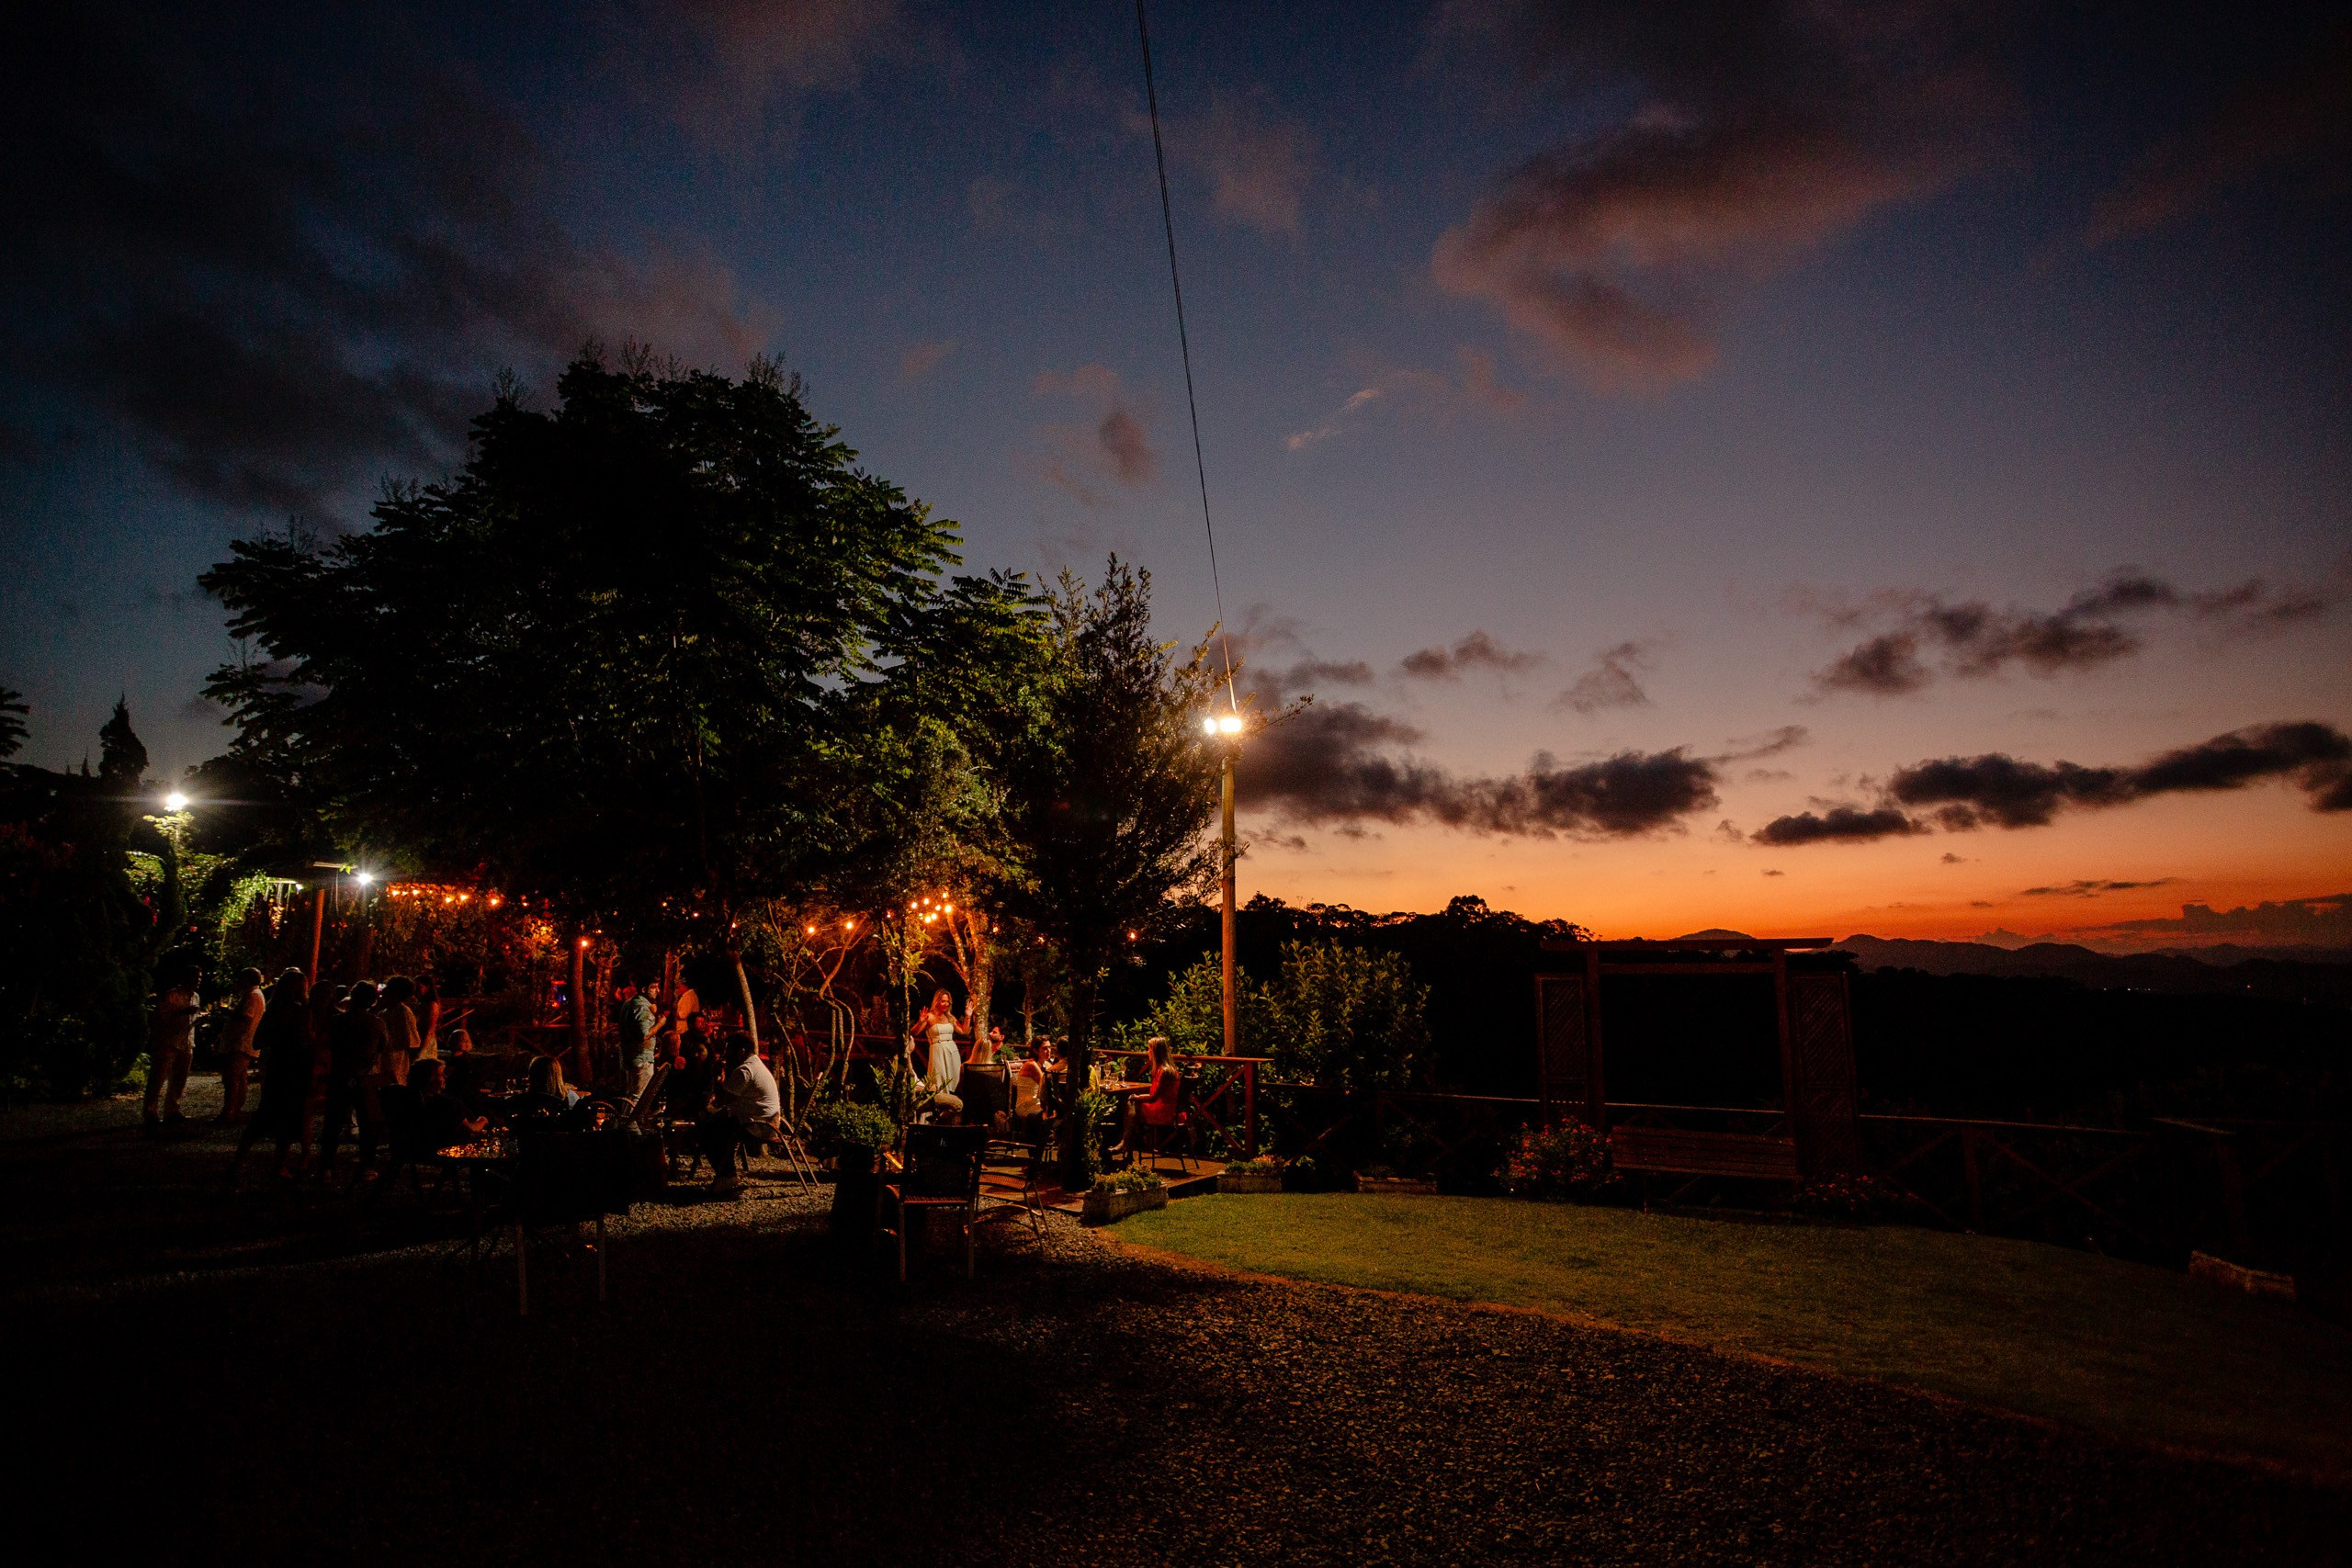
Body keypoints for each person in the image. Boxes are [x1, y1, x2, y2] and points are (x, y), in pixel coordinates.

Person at [232, 970, 314, 1182]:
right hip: (295, 1069)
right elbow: (304, 1041)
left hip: (276, 1068)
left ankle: (237, 1162)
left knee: (263, 1116)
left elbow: (258, 1041)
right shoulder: (301, 1012)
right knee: (288, 1120)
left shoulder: (273, 1011)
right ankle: (279, 1166)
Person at [315, 981, 385, 1181]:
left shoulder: (338, 1021)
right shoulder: (376, 1023)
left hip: (339, 1074)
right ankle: (367, 1166)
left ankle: (326, 1167)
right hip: (363, 1076)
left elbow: (327, 1044)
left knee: (332, 1123)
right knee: (366, 1123)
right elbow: (383, 1046)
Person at [702, 1032, 780, 1194]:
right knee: (717, 1122)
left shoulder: (745, 1070)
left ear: (741, 1051)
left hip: (758, 1126)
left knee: (708, 1129)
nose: (726, 1055)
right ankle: (726, 1175)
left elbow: (723, 1100)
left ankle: (727, 1176)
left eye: (729, 1050)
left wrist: (717, 1076)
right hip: (767, 1121)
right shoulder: (755, 1065)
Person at [142, 964, 203, 1131]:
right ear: (186, 978)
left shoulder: (196, 997)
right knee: (158, 1078)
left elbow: (190, 1020)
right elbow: (160, 1018)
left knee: (179, 1079)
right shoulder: (172, 996)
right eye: (195, 978)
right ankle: (150, 1112)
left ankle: (172, 1110)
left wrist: (198, 1021)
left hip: (187, 1042)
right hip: (169, 1042)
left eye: (200, 978)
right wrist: (182, 1013)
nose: (198, 981)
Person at [213, 966, 267, 1122]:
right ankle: (235, 1111)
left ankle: (229, 1112)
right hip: (243, 1043)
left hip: (241, 1043)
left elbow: (245, 1018)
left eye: (241, 979)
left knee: (232, 1078)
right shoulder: (254, 994)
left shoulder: (252, 996)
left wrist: (229, 1013)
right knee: (240, 1077)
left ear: (247, 980)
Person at [1114, 1036, 1184, 1157]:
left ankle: (1125, 1143)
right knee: (1131, 1104)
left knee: (1130, 1104)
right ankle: (1126, 1145)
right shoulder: (1166, 1069)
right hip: (1168, 1108)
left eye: (1149, 1049)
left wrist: (1136, 1097)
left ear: (1156, 1052)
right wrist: (1136, 1097)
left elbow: (1153, 1098)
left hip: (1165, 1111)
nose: (1147, 1052)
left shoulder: (1165, 1071)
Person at [411, 1057, 487, 1149]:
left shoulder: (410, 1099)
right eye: (441, 1075)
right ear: (430, 1079)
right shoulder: (446, 1103)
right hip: (451, 1149)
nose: (445, 1077)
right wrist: (483, 1120)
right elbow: (471, 1130)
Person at [615, 979, 661, 1102]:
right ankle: (631, 1116)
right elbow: (645, 1035)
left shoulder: (629, 1003)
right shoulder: (641, 1006)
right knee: (638, 1096)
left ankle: (626, 1115)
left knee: (631, 1095)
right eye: (653, 987)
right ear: (644, 989)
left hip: (631, 1056)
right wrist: (660, 1023)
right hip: (641, 1058)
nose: (657, 991)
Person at [378, 976, 420, 1087]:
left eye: (388, 988)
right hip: (383, 1062)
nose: (384, 990)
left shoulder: (403, 1013)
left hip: (395, 1063)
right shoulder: (384, 1012)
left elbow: (410, 1041)